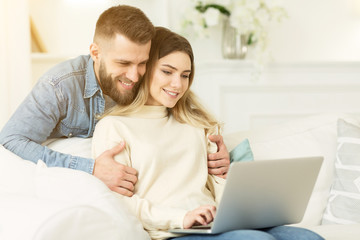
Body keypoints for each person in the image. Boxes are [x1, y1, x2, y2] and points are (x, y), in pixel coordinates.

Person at [92, 27, 324, 240]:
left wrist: (226, 181)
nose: (177, 84)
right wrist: (181, 218)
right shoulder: (115, 126)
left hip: (213, 225)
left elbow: (219, 193)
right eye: (167, 71)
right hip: (172, 232)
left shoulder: (196, 123)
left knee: (308, 238)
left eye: (185, 75)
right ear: (144, 69)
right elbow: (118, 202)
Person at [0, 5, 230, 197]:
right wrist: (90, 168)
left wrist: (213, 154)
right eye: (123, 63)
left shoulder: (144, 77)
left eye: (142, 63)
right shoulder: (59, 86)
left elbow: (181, 105)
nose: (134, 75)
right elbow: (10, 140)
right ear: (95, 52)